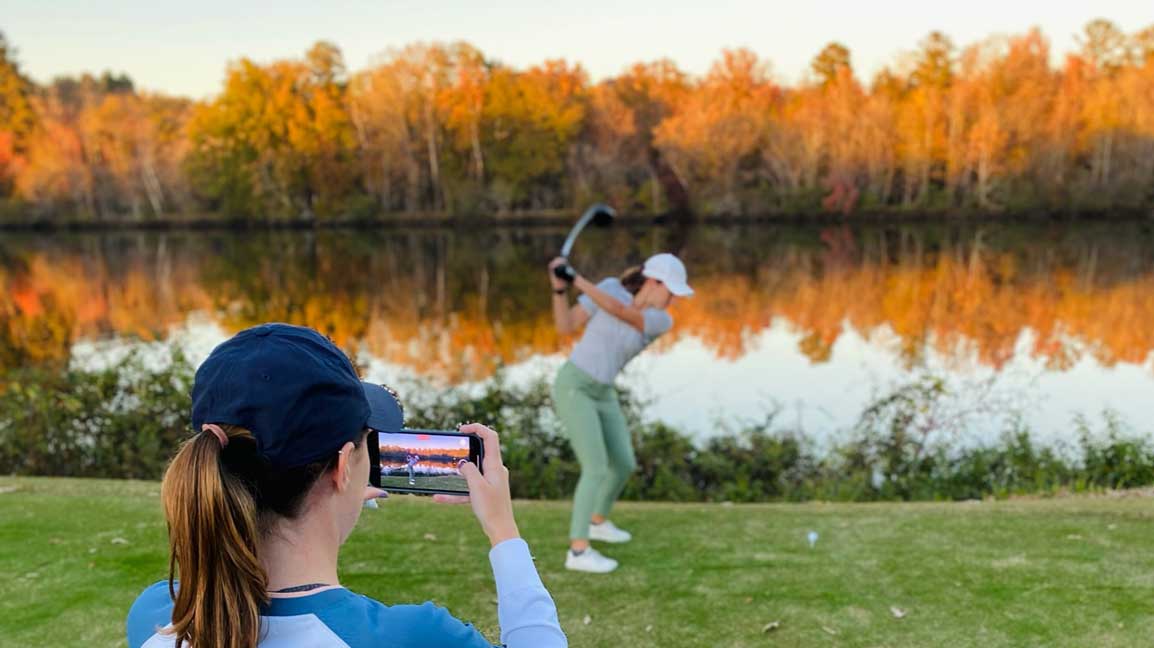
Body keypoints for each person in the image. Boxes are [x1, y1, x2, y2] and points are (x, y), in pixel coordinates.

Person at [126, 323, 566, 648]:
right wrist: (503, 531)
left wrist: (336, 500)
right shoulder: (414, 637)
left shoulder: (157, 615)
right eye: (363, 448)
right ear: (342, 466)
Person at [547, 253, 694, 573]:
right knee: (596, 467)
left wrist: (576, 279)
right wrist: (559, 290)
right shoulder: (610, 287)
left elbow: (620, 311)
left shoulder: (660, 320)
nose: (672, 302)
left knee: (623, 463)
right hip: (575, 386)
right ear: (653, 282)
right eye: (671, 293)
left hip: (603, 392)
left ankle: (597, 520)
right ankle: (578, 550)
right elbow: (565, 326)